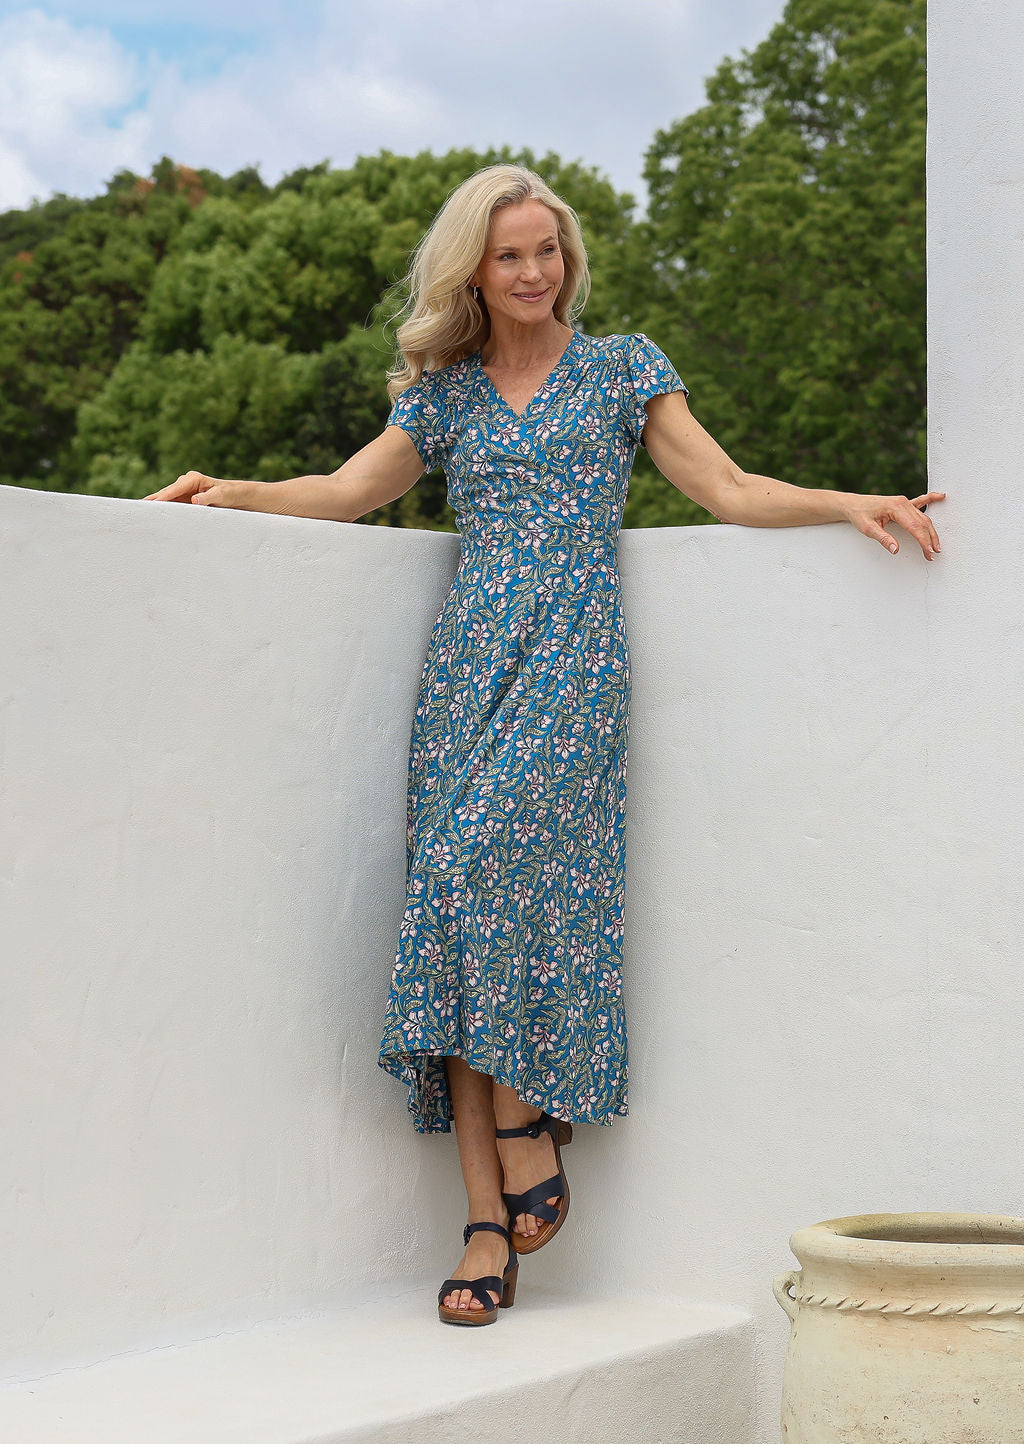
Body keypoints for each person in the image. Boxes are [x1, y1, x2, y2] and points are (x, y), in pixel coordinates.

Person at [145, 162, 945, 1327]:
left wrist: (845, 502)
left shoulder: (624, 367)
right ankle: (484, 1222)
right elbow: (347, 489)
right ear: (475, 267)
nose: (533, 272)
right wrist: (232, 495)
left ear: (568, 258)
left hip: (574, 655)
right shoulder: (444, 391)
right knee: (452, 912)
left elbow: (721, 486)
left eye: (547, 251)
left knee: (472, 882)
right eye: (509, 254)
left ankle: (522, 1123)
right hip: (467, 663)